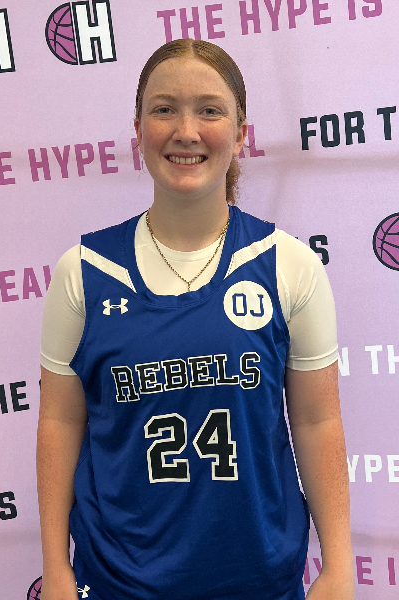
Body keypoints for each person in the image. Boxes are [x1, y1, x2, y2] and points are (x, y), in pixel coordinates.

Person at [37, 39, 354, 600]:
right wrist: (55, 569)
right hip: (118, 581)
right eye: (164, 109)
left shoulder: (289, 265)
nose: (186, 131)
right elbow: (60, 423)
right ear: (138, 130)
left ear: (241, 133)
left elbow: (316, 422)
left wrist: (339, 563)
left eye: (210, 110)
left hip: (259, 577)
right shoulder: (83, 272)